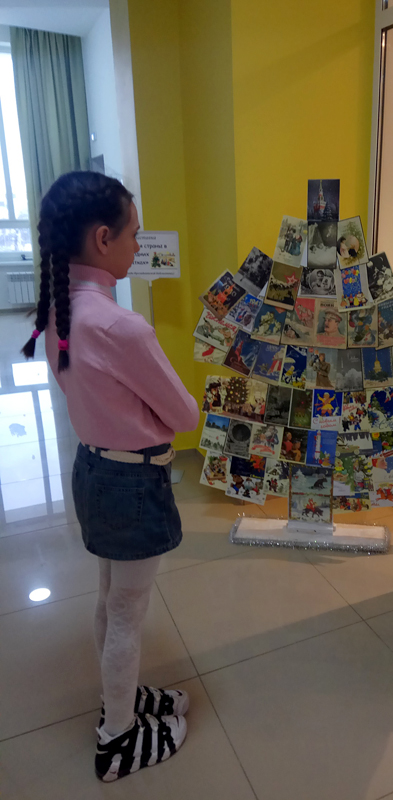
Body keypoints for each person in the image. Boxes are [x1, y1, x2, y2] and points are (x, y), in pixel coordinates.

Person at [21, 171, 199, 780]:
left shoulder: (56, 308)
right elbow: (185, 416)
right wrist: (147, 415)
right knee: (127, 610)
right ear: (103, 238)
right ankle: (117, 738)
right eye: (134, 234)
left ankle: (117, 697)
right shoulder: (122, 326)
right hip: (132, 483)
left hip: (93, 469)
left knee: (108, 597)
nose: (137, 245)